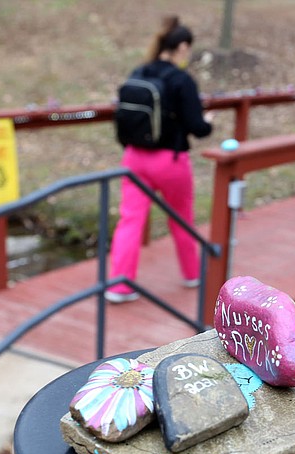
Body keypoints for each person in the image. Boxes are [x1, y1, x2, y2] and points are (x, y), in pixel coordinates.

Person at [106, 16, 213, 304]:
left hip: (133, 159)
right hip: (170, 161)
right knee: (181, 219)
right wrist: (208, 121)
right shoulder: (182, 80)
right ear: (180, 46)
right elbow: (197, 127)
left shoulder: (139, 72)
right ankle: (192, 274)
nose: (187, 56)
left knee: (130, 221)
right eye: (187, 50)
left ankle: (119, 286)